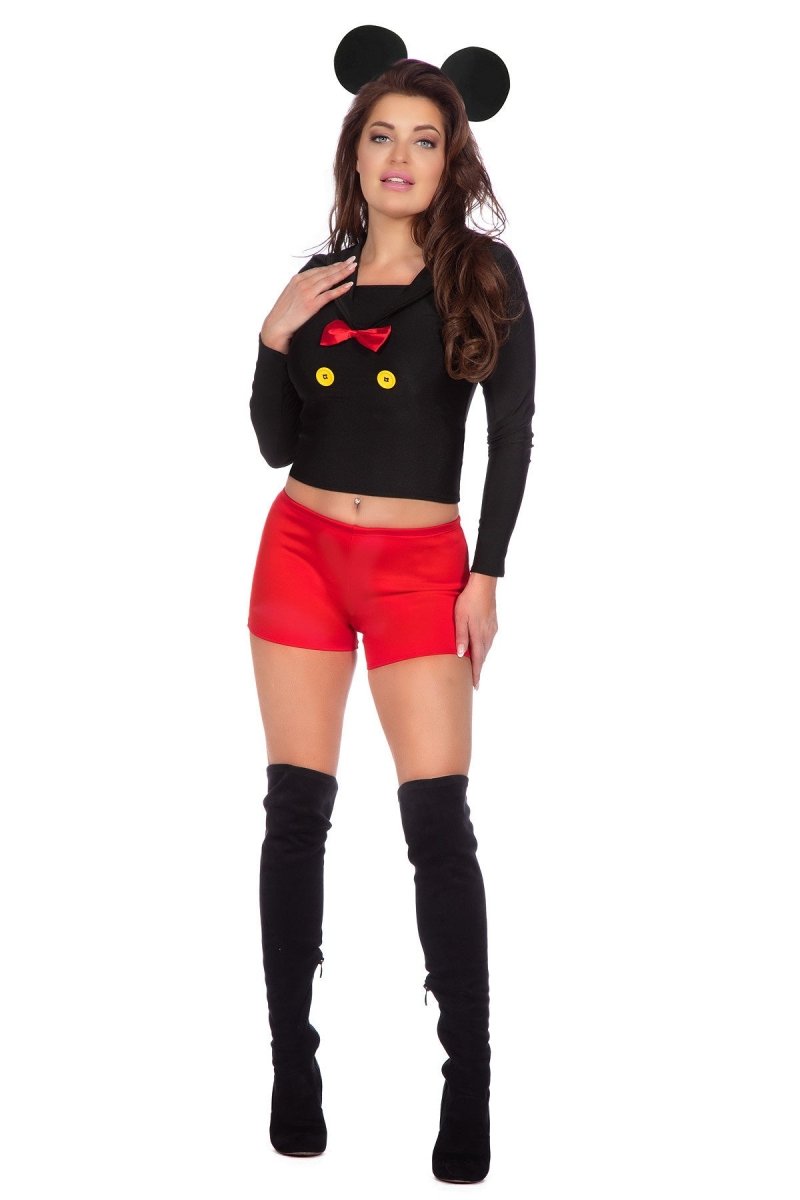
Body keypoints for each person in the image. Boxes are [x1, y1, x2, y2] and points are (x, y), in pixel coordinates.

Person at [246, 55, 535, 1185]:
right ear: (354, 153)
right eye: (382, 136)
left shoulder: (481, 274)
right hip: (300, 554)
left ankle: (468, 1086)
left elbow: (511, 433)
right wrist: (273, 337)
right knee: (293, 814)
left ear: (451, 157)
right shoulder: (315, 282)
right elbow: (277, 444)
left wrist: (486, 574)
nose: (400, 157)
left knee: (437, 825)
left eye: (424, 139)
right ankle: (292, 1068)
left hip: (421, 568)